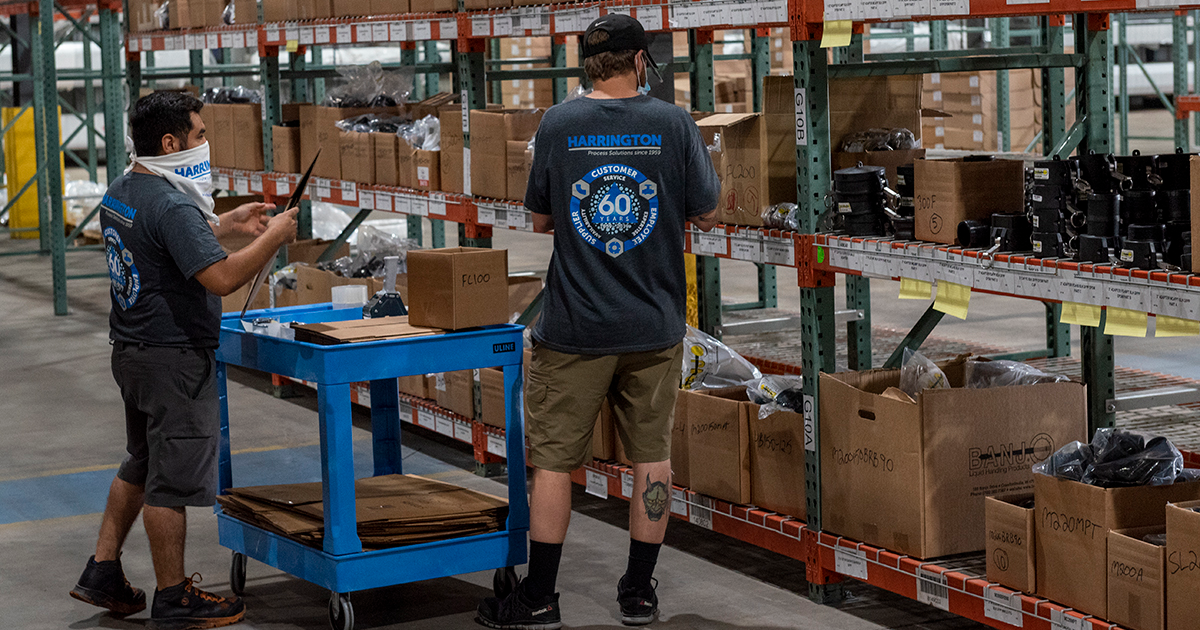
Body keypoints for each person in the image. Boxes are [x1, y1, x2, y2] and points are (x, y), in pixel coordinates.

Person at [476, 14, 720, 630]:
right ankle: (638, 592)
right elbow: (709, 213)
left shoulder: (559, 124)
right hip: (653, 326)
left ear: (589, 61)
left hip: (575, 327)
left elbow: (539, 221)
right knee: (651, 459)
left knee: (555, 462)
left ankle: (540, 597)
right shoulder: (672, 122)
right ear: (642, 61)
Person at [69, 91, 298, 630]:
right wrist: (275, 238)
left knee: (142, 462)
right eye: (198, 134)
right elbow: (219, 279)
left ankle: (102, 570)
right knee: (170, 484)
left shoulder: (127, 188)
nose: (204, 143)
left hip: (132, 353)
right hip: (173, 362)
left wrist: (226, 223)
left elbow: (162, 238)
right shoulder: (173, 203)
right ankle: (174, 598)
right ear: (170, 143)